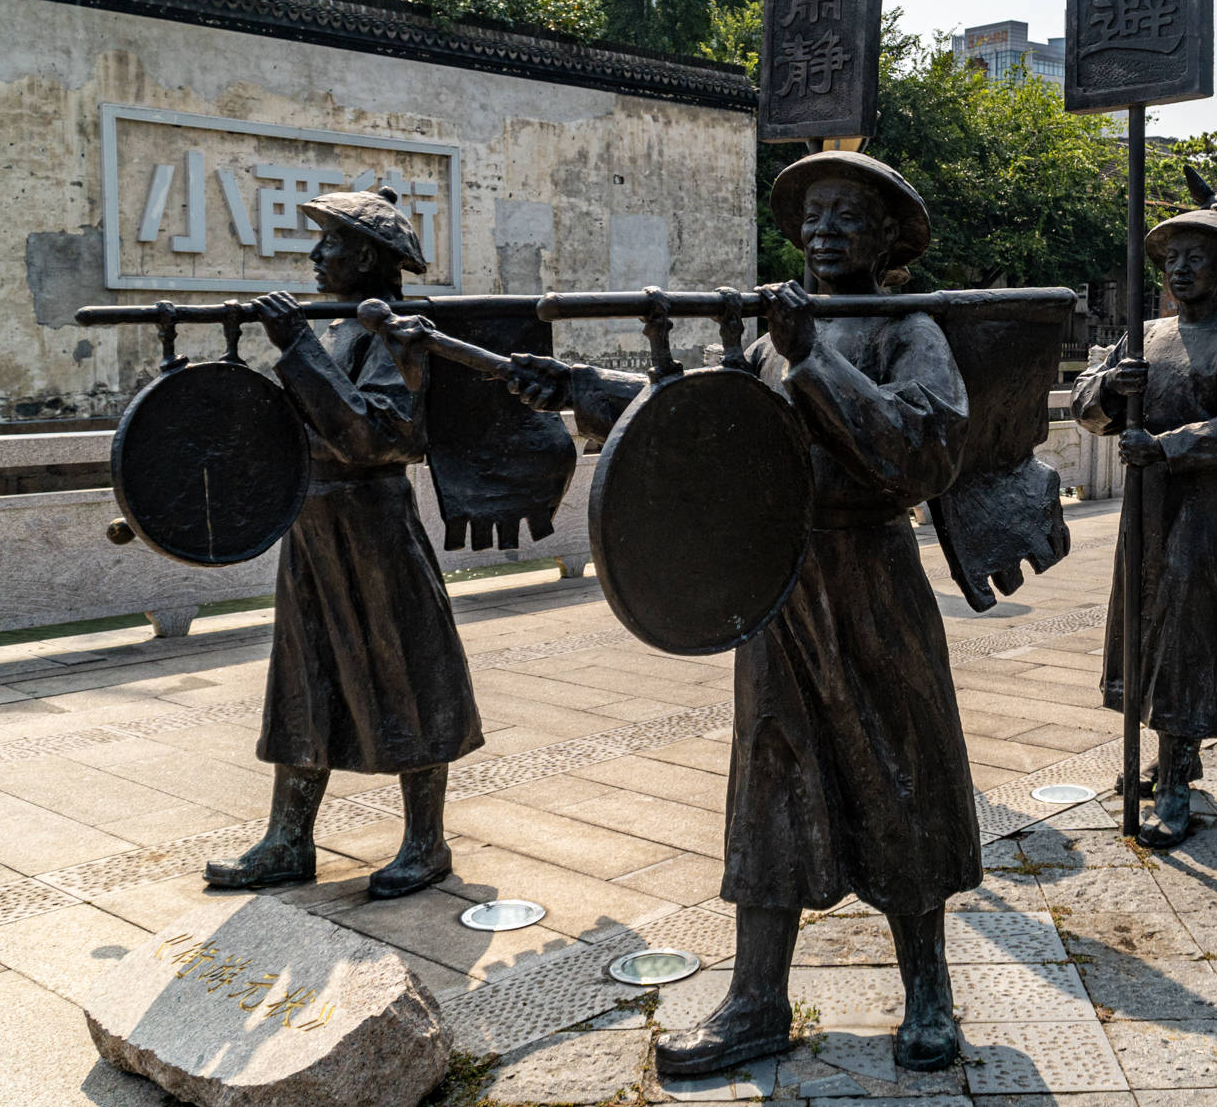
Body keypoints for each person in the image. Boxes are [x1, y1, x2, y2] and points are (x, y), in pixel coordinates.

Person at [508, 153, 978, 1076]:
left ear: (888, 240)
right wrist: (582, 390)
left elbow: (921, 454)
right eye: (814, 214)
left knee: (899, 773)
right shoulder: (767, 335)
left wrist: (814, 358)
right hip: (776, 585)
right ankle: (757, 997)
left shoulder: (905, 330)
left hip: (872, 585)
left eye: (848, 214)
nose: (825, 228)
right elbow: (704, 422)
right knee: (770, 779)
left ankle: (928, 987)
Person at [204, 187, 482, 900]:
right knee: (302, 680)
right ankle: (288, 838)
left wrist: (297, 347)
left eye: (331, 241)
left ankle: (427, 840)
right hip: (312, 525)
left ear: (367, 256)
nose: (316, 254)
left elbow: (378, 436)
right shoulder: (330, 330)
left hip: (374, 529)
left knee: (407, 671)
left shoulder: (392, 332)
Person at [1071, 208, 1217, 847]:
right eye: (1172, 259)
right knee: (1141, 622)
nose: (1181, 269)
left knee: (1188, 629)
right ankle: (1162, 748)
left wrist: (1169, 445)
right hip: (1144, 504)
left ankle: (1179, 774)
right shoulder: (1142, 335)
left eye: (1197, 258)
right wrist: (1109, 384)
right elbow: (1085, 405)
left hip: (1201, 505)